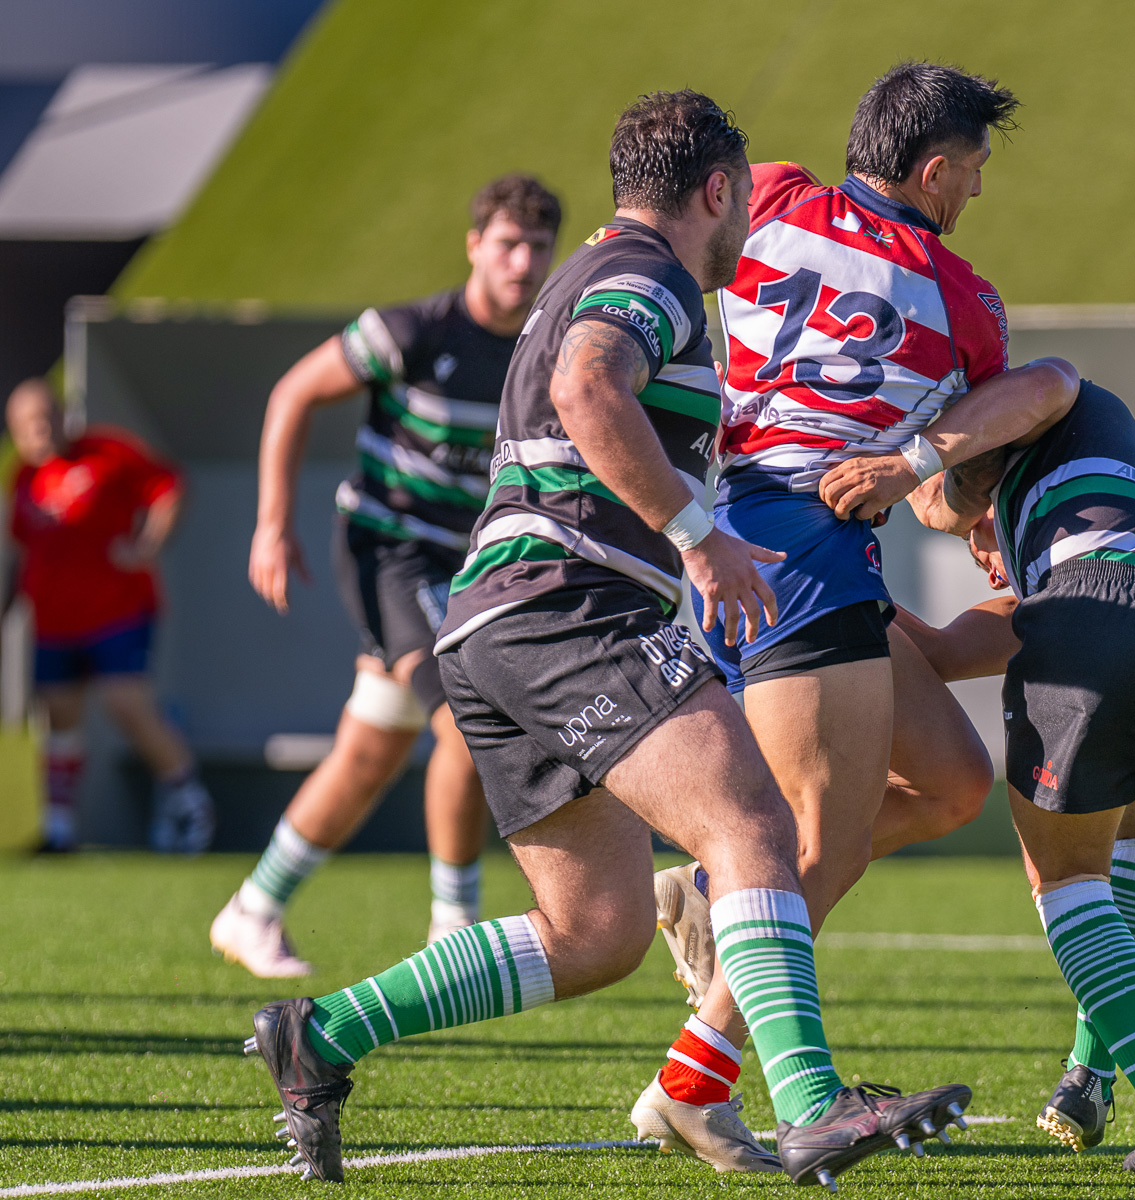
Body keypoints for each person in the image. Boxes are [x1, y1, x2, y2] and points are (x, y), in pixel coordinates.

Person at [245, 91, 968, 1190]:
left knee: (597, 933)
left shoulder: (596, 269)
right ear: (716, 191)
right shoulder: (654, 279)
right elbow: (589, 387)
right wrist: (696, 539)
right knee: (755, 827)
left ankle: (323, 1035)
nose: (743, 239)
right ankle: (815, 1106)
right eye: (739, 211)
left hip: (500, 622)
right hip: (569, 606)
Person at [632, 62, 1080, 1170]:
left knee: (952, 784)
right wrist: (927, 463)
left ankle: (710, 896)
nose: (977, 189)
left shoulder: (772, 193)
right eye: (973, 169)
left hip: (722, 524)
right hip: (804, 546)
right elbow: (1034, 397)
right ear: (934, 169)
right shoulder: (963, 300)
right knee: (813, 841)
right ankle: (696, 1085)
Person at [901, 378, 1135, 1172]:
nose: (978, 557)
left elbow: (1046, 381)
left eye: (972, 537)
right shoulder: (1115, 480)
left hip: (1096, 606)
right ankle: (1090, 1076)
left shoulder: (1050, 417)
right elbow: (943, 652)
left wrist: (888, 483)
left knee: (1061, 873)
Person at [209, 175, 562, 977]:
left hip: (471, 566)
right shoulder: (410, 330)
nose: (522, 261)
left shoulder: (541, 348)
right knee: (466, 724)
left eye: (537, 247)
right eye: (508, 243)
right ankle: (453, 927)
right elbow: (293, 393)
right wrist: (271, 523)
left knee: (368, 750)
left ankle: (254, 907)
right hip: (392, 550)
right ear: (474, 245)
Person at [4, 378, 213, 854]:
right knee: (59, 716)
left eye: (46, 416)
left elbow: (170, 486)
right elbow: (19, 548)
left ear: (61, 414)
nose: (40, 430)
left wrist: (148, 545)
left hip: (118, 611)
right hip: (55, 622)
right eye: (27, 424)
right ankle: (58, 831)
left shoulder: (107, 451)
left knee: (126, 705)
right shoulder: (22, 478)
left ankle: (189, 802)